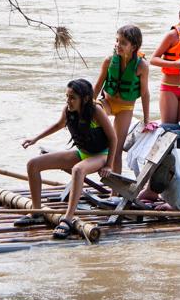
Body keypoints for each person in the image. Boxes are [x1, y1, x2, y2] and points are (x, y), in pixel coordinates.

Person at [15, 79, 118, 239]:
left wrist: (109, 165)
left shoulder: (96, 111)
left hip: (101, 155)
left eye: (72, 98)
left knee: (78, 169)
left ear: (84, 99)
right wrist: (35, 138)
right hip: (82, 152)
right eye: (67, 96)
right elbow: (58, 125)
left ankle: (68, 219)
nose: (68, 101)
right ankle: (36, 212)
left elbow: (113, 138)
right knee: (33, 164)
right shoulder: (68, 110)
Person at [93, 24, 152, 175]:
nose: (118, 45)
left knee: (117, 150)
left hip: (125, 109)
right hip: (107, 102)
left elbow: (145, 94)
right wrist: (88, 104)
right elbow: (98, 85)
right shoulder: (109, 61)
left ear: (134, 47)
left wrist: (146, 120)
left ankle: (114, 192)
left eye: (123, 43)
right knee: (93, 112)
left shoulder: (142, 66)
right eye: (117, 41)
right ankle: (94, 153)